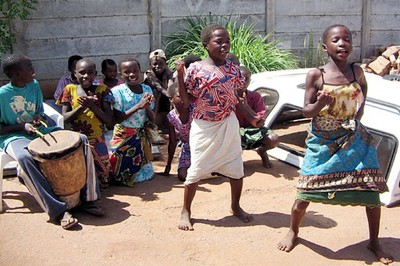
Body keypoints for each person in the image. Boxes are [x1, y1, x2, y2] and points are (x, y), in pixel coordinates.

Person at [276, 24, 393, 265]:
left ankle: (374, 241)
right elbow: (306, 111)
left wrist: (355, 122)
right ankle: (294, 231)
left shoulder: (357, 71)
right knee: (306, 191)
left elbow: (363, 96)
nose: (343, 43)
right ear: (325, 47)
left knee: (371, 191)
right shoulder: (316, 75)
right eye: (336, 39)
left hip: (354, 139)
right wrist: (320, 105)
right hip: (322, 142)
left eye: (347, 39)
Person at [0, 54, 104, 230]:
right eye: (29, 66)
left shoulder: (33, 85)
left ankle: (89, 199)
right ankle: (58, 210)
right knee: (25, 157)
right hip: (13, 136)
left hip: (39, 131)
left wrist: (38, 118)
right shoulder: (2, 95)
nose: (33, 68)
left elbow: (39, 111)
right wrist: (22, 126)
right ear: (17, 73)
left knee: (81, 140)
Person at [178, 24, 263, 231]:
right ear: (205, 45)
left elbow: (237, 100)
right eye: (219, 41)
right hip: (204, 126)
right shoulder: (195, 69)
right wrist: (180, 75)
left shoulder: (233, 69)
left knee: (236, 168)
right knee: (196, 170)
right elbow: (186, 99)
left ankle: (235, 206)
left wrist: (252, 117)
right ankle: (185, 210)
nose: (224, 45)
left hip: (228, 124)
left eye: (227, 41)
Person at [57, 58, 113, 189]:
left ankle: (98, 186)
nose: (86, 76)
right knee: (79, 169)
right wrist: (82, 107)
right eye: (82, 72)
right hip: (77, 139)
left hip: (97, 138)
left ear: (95, 73)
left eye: (90, 72)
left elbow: (109, 120)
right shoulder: (69, 90)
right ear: (74, 73)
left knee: (105, 173)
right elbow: (65, 118)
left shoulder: (102, 90)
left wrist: (92, 106)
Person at [109, 57, 155, 187]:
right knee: (119, 172)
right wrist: (138, 106)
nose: (132, 74)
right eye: (127, 72)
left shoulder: (147, 90)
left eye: (135, 71)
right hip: (124, 136)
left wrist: (146, 108)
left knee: (145, 171)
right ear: (120, 74)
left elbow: (153, 118)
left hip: (141, 135)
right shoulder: (117, 92)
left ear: (140, 71)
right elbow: (118, 119)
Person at [235, 66, 279, 168]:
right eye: (240, 79)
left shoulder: (255, 96)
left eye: (246, 79)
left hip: (253, 129)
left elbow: (260, 122)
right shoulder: (229, 98)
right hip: (235, 131)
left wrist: (245, 106)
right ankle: (233, 163)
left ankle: (262, 151)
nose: (243, 82)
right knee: (233, 138)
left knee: (273, 139)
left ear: (250, 81)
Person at [163, 60, 192, 181]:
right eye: (179, 96)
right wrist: (168, 165)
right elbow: (173, 142)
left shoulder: (194, 110)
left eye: (186, 96)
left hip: (203, 146)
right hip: (188, 149)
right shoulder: (171, 117)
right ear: (171, 99)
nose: (184, 99)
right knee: (182, 176)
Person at [143, 49, 174, 133]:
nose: (157, 66)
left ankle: (172, 125)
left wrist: (171, 95)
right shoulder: (149, 74)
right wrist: (169, 94)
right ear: (150, 65)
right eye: (155, 64)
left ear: (165, 64)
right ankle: (154, 125)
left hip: (165, 96)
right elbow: (158, 86)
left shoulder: (168, 71)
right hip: (154, 98)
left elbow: (170, 84)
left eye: (161, 64)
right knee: (156, 94)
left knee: (174, 98)